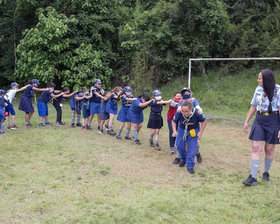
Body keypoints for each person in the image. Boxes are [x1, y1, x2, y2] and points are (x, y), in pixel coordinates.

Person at [243, 69, 280, 186]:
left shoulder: (278, 90)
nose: (258, 80)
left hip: (273, 120)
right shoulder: (258, 89)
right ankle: (253, 177)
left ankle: (266, 173)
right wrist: (247, 120)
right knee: (255, 147)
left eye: (260, 78)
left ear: (266, 79)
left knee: (269, 149)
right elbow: (253, 106)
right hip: (259, 120)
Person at [172, 100, 207, 174]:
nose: (184, 113)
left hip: (193, 130)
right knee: (179, 145)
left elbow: (204, 121)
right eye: (183, 111)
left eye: (186, 111)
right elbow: (174, 121)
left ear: (191, 109)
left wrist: (200, 132)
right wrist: (175, 131)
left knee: (192, 148)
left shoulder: (197, 112)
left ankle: (190, 166)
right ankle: (183, 159)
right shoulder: (179, 112)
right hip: (182, 129)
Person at [175, 87, 203, 164]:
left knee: (195, 142)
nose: (186, 94)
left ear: (190, 93)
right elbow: (179, 108)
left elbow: (198, 108)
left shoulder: (194, 101)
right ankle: (179, 157)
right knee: (181, 142)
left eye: (187, 93)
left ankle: (197, 153)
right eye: (184, 93)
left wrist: (199, 110)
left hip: (193, 126)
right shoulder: (181, 102)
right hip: (183, 125)